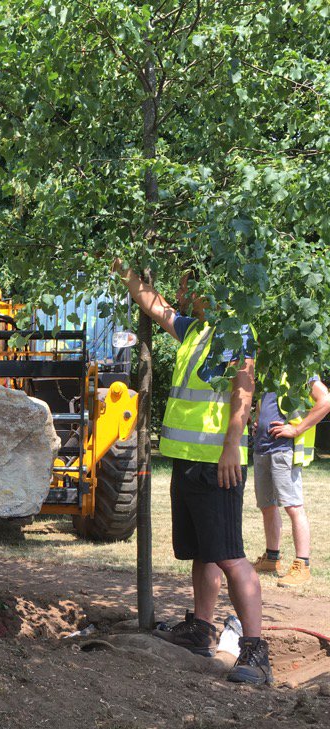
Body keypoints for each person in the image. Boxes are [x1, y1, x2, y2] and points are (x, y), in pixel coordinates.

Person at [112, 260, 272, 685]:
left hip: (216, 463)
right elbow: (153, 305)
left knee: (229, 553)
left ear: (209, 291)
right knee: (202, 550)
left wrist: (232, 447)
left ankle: (256, 651)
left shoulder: (235, 332)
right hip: (186, 459)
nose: (181, 295)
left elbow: (244, 390)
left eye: (188, 288)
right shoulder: (194, 329)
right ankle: (201, 629)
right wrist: (124, 269)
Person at [251, 375, 330, 586]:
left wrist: (296, 429)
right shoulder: (266, 369)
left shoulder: (299, 369)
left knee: (293, 507)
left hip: (284, 449)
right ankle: (271, 558)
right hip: (262, 447)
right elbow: (265, 405)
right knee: (267, 506)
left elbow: (326, 400)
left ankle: (302, 565)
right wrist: (258, 420)